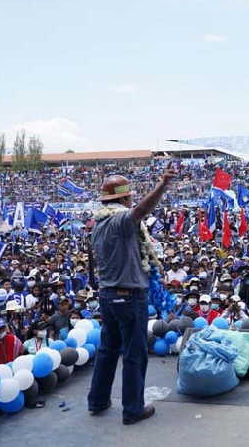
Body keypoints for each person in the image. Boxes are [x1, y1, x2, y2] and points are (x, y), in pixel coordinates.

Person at [87, 167, 175, 424]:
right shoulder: (120, 220)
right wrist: (162, 185)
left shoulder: (99, 224)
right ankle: (133, 409)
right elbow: (140, 212)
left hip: (107, 295)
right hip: (128, 297)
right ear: (124, 199)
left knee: (107, 350)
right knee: (135, 354)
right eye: (130, 198)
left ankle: (98, 400)